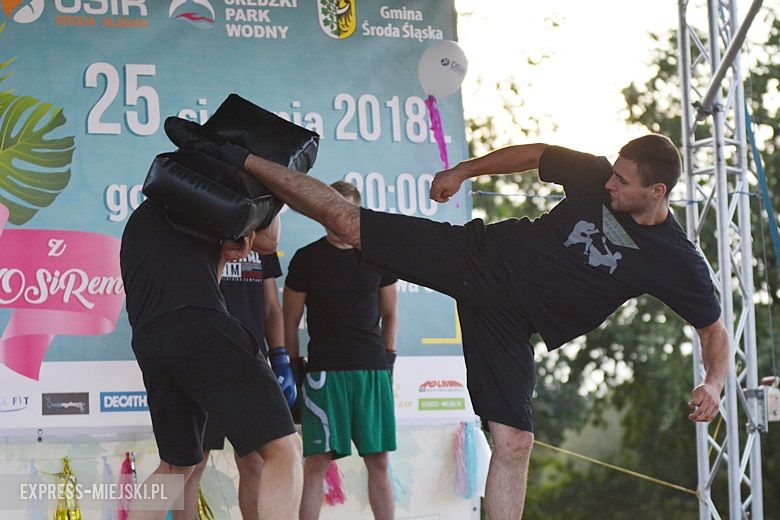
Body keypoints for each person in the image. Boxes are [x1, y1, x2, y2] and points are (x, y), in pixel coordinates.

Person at [163, 117, 730, 520]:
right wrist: (463, 170)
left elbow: (713, 330)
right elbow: (534, 153)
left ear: (657, 192)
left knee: (514, 442)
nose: (609, 184)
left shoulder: (676, 260)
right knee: (345, 221)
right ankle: (231, 152)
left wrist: (713, 381)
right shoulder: (595, 176)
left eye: (624, 183)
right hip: (477, 258)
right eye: (613, 173)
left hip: (511, 325)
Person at [120, 190, 301, 520]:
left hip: (151, 341)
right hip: (202, 327)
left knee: (177, 465)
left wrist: (227, 249)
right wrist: (270, 190)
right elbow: (269, 240)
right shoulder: (211, 197)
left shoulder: (143, 218)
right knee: (284, 449)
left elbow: (208, 272)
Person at [283, 181, 398, 520]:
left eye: (345, 211)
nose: (337, 219)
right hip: (324, 373)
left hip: (372, 370)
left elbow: (391, 314)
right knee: (316, 463)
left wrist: (388, 360)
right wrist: (294, 367)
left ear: (357, 213)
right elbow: (290, 320)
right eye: (330, 211)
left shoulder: (378, 256)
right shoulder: (306, 259)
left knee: (378, 461)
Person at [174, 216, 290, 520]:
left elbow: (271, 307)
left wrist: (280, 357)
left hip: (250, 361)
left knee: (254, 462)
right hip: (204, 358)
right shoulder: (201, 235)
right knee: (188, 465)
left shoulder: (261, 242)